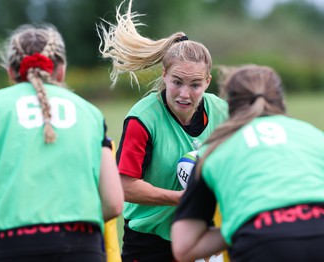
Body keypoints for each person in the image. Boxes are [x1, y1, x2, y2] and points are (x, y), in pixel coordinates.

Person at [171, 64, 324, 262]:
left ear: (229, 104)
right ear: (281, 99)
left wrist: (238, 227)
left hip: (262, 245)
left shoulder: (213, 150)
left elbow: (185, 246)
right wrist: (321, 219)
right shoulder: (312, 135)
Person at [0, 23, 124, 262]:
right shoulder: (90, 113)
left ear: (10, 70)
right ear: (61, 70)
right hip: (82, 246)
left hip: (12, 245)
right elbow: (113, 203)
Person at [97, 0, 228, 261]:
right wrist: (183, 198)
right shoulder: (143, 119)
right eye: (177, 82)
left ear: (208, 82)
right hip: (150, 243)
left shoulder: (223, 112)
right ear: (165, 74)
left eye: (195, 85)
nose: (184, 94)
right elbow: (125, 186)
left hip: (203, 235)